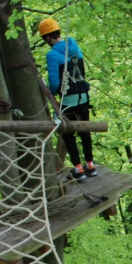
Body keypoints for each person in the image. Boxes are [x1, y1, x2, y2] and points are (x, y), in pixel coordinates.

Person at [38, 18, 95, 181]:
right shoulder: (75, 47)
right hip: (83, 96)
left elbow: (55, 83)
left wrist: (51, 92)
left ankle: (78, 168)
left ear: (48, 37)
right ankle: (90, 165)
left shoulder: (53, 55)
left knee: (68, 132)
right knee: (85, 130)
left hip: (68, 100)